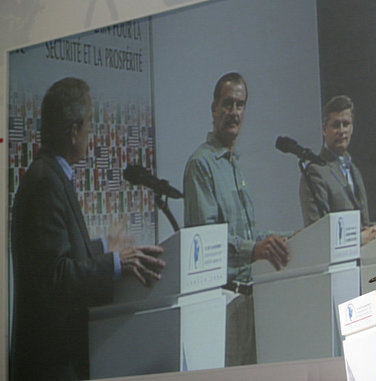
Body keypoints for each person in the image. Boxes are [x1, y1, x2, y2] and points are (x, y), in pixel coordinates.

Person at [10, 77, 166, 380]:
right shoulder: (45, 182)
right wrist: (118, 263)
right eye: (90, 125)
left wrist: (107, 246)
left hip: (61, 358)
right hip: (50, 364)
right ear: (73, 132)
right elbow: (56, 276)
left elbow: (62, 255)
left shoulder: (53, 175)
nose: (90, 135)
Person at [183, 72, 291, 366]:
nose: (234, 112)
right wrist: (254, 250)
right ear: (214, 109)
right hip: (223, 307)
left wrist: (288, 239)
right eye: (228, 104)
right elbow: (205, 244)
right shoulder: (201, 165)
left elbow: (247, 233)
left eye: (240, 105)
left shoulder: (233, 163)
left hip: (250, 301)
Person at [299, 95, 376, 244]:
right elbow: (317, 233)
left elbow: (363, 220)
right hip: (338, 263)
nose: (342, 130)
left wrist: (373, 231)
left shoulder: (353, 169)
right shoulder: (315, 172)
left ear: (352, 127)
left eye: (346, 124)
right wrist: (359, 239)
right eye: (336, 125)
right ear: (324, 129)